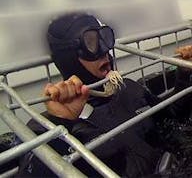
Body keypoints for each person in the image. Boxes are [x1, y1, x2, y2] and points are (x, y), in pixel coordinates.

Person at [18, 13, 176, 177]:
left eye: (104, 38)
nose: (104, 50)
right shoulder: (46, 128)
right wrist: (60, 123)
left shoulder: (129, 88)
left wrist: (185, 75)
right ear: (69, 58)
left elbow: (176, 119)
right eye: (91, 43)